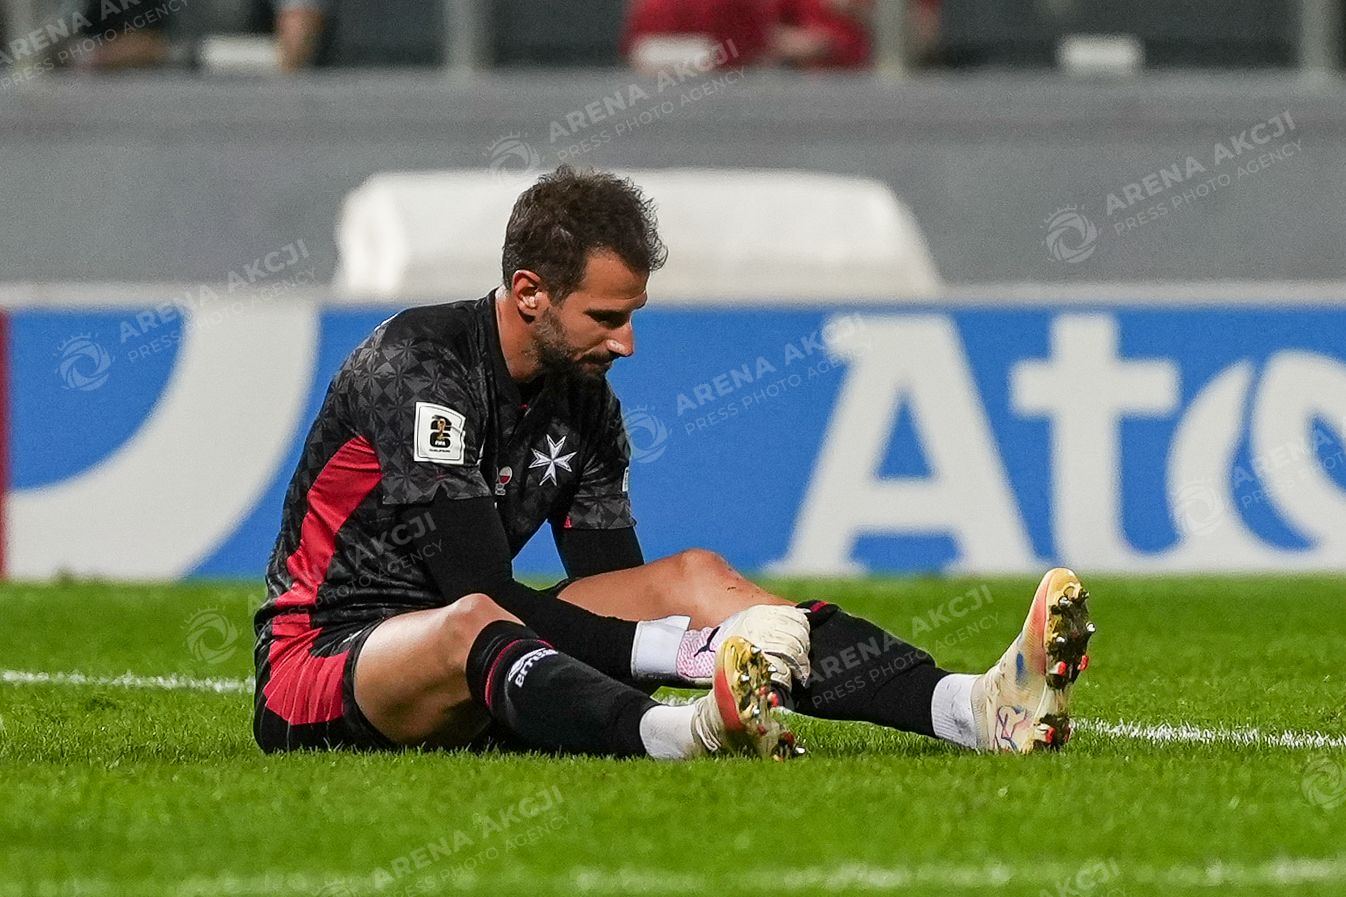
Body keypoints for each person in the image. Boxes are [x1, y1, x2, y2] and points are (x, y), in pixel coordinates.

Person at [252, 165, 1095, 760]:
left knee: (691, 577)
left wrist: (706, 628)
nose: (627, 342)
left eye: (634, 314)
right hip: (326, 662)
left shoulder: (586, 401)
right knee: (474, 618)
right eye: (607, 316)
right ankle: (684, 735)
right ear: (530, 291)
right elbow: (479, 588)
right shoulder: (419, 363)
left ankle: (974, 707)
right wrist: (693, 657)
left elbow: (616, 592)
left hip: (487, 659)